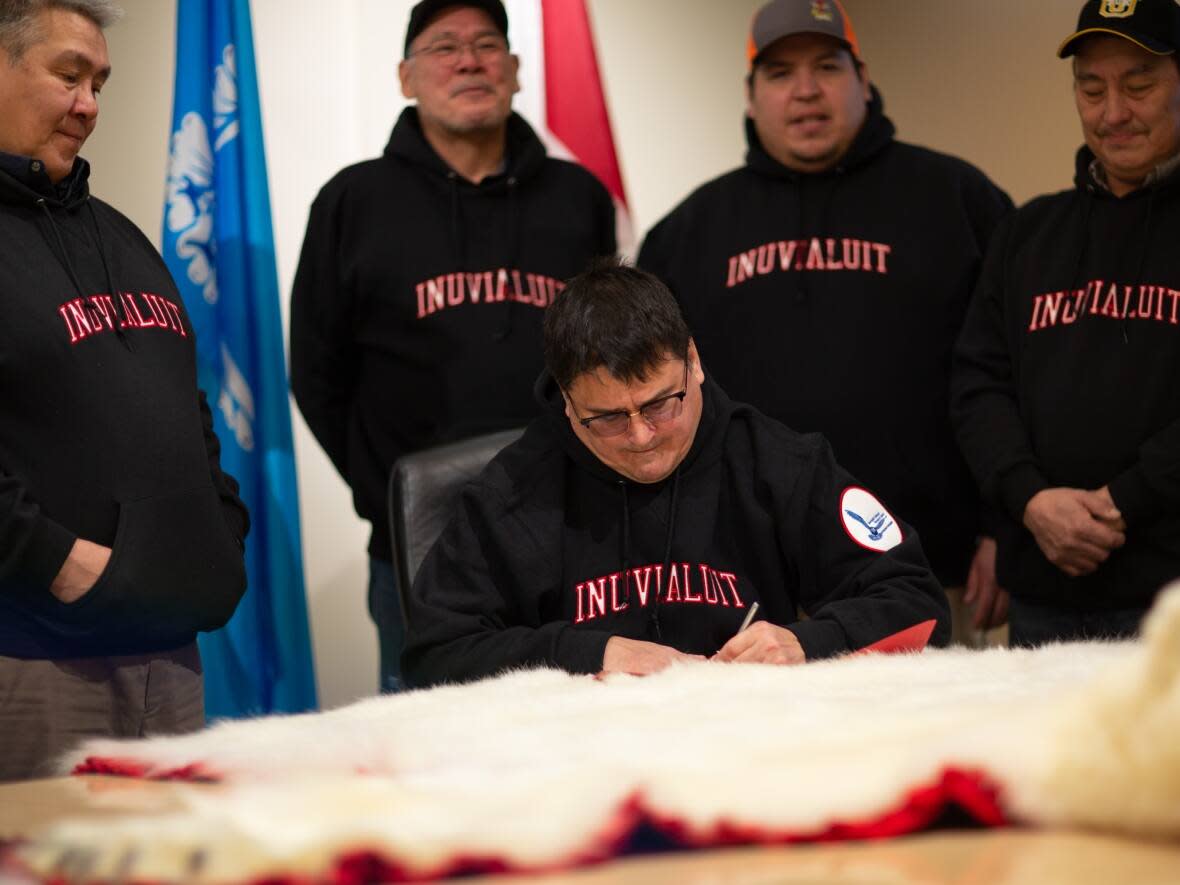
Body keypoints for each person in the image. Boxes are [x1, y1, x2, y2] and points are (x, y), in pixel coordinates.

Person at [637, 0, 1013, 644]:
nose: (806, 90)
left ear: (863, 80)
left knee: (936, 745)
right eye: (780, 73)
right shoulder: (686, 233)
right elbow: (651, 409)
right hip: (744, 589)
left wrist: (1004, 527)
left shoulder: (957, 200)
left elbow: (1012, 375)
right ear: (751, 98)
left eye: (827, 67)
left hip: (929, 570)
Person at [402, 261, 950, 687]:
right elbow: (434, 653)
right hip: (579, 769)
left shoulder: (775, 462)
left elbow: (916, 601)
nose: (642, 437)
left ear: (693, 361)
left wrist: (809, 642)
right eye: (609, 418)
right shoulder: (514, 492)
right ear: (568, 402)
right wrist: (588, 652)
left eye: (662, 404)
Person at [290, 0, 616, 694]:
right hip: (420, 545)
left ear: (516, 70)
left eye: (486, 44)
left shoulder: (579, 198)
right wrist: (387, 491)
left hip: (575, 533)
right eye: (444, 47)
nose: (469, 60)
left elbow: (610, 359)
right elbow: (317, 372)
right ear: (406, 77)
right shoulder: (352, 203)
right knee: (428, 758)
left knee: (581, 745)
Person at [0, 0, 249, 781]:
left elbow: (185, 401)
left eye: (100, 84)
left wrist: (220, 528)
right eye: (68, 76)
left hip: (168, 648)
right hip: (39, 659)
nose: (89, 106)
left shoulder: (121, 234)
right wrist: (60, 562)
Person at [951, 0, 1180, 646]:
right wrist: (1029, 500)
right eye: (1091, 88)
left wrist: (1125, 500)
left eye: (1138, 85)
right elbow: (977, 386)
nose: (1113, 112)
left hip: (1170, 606)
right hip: (1043, 602)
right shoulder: (1027, 233)